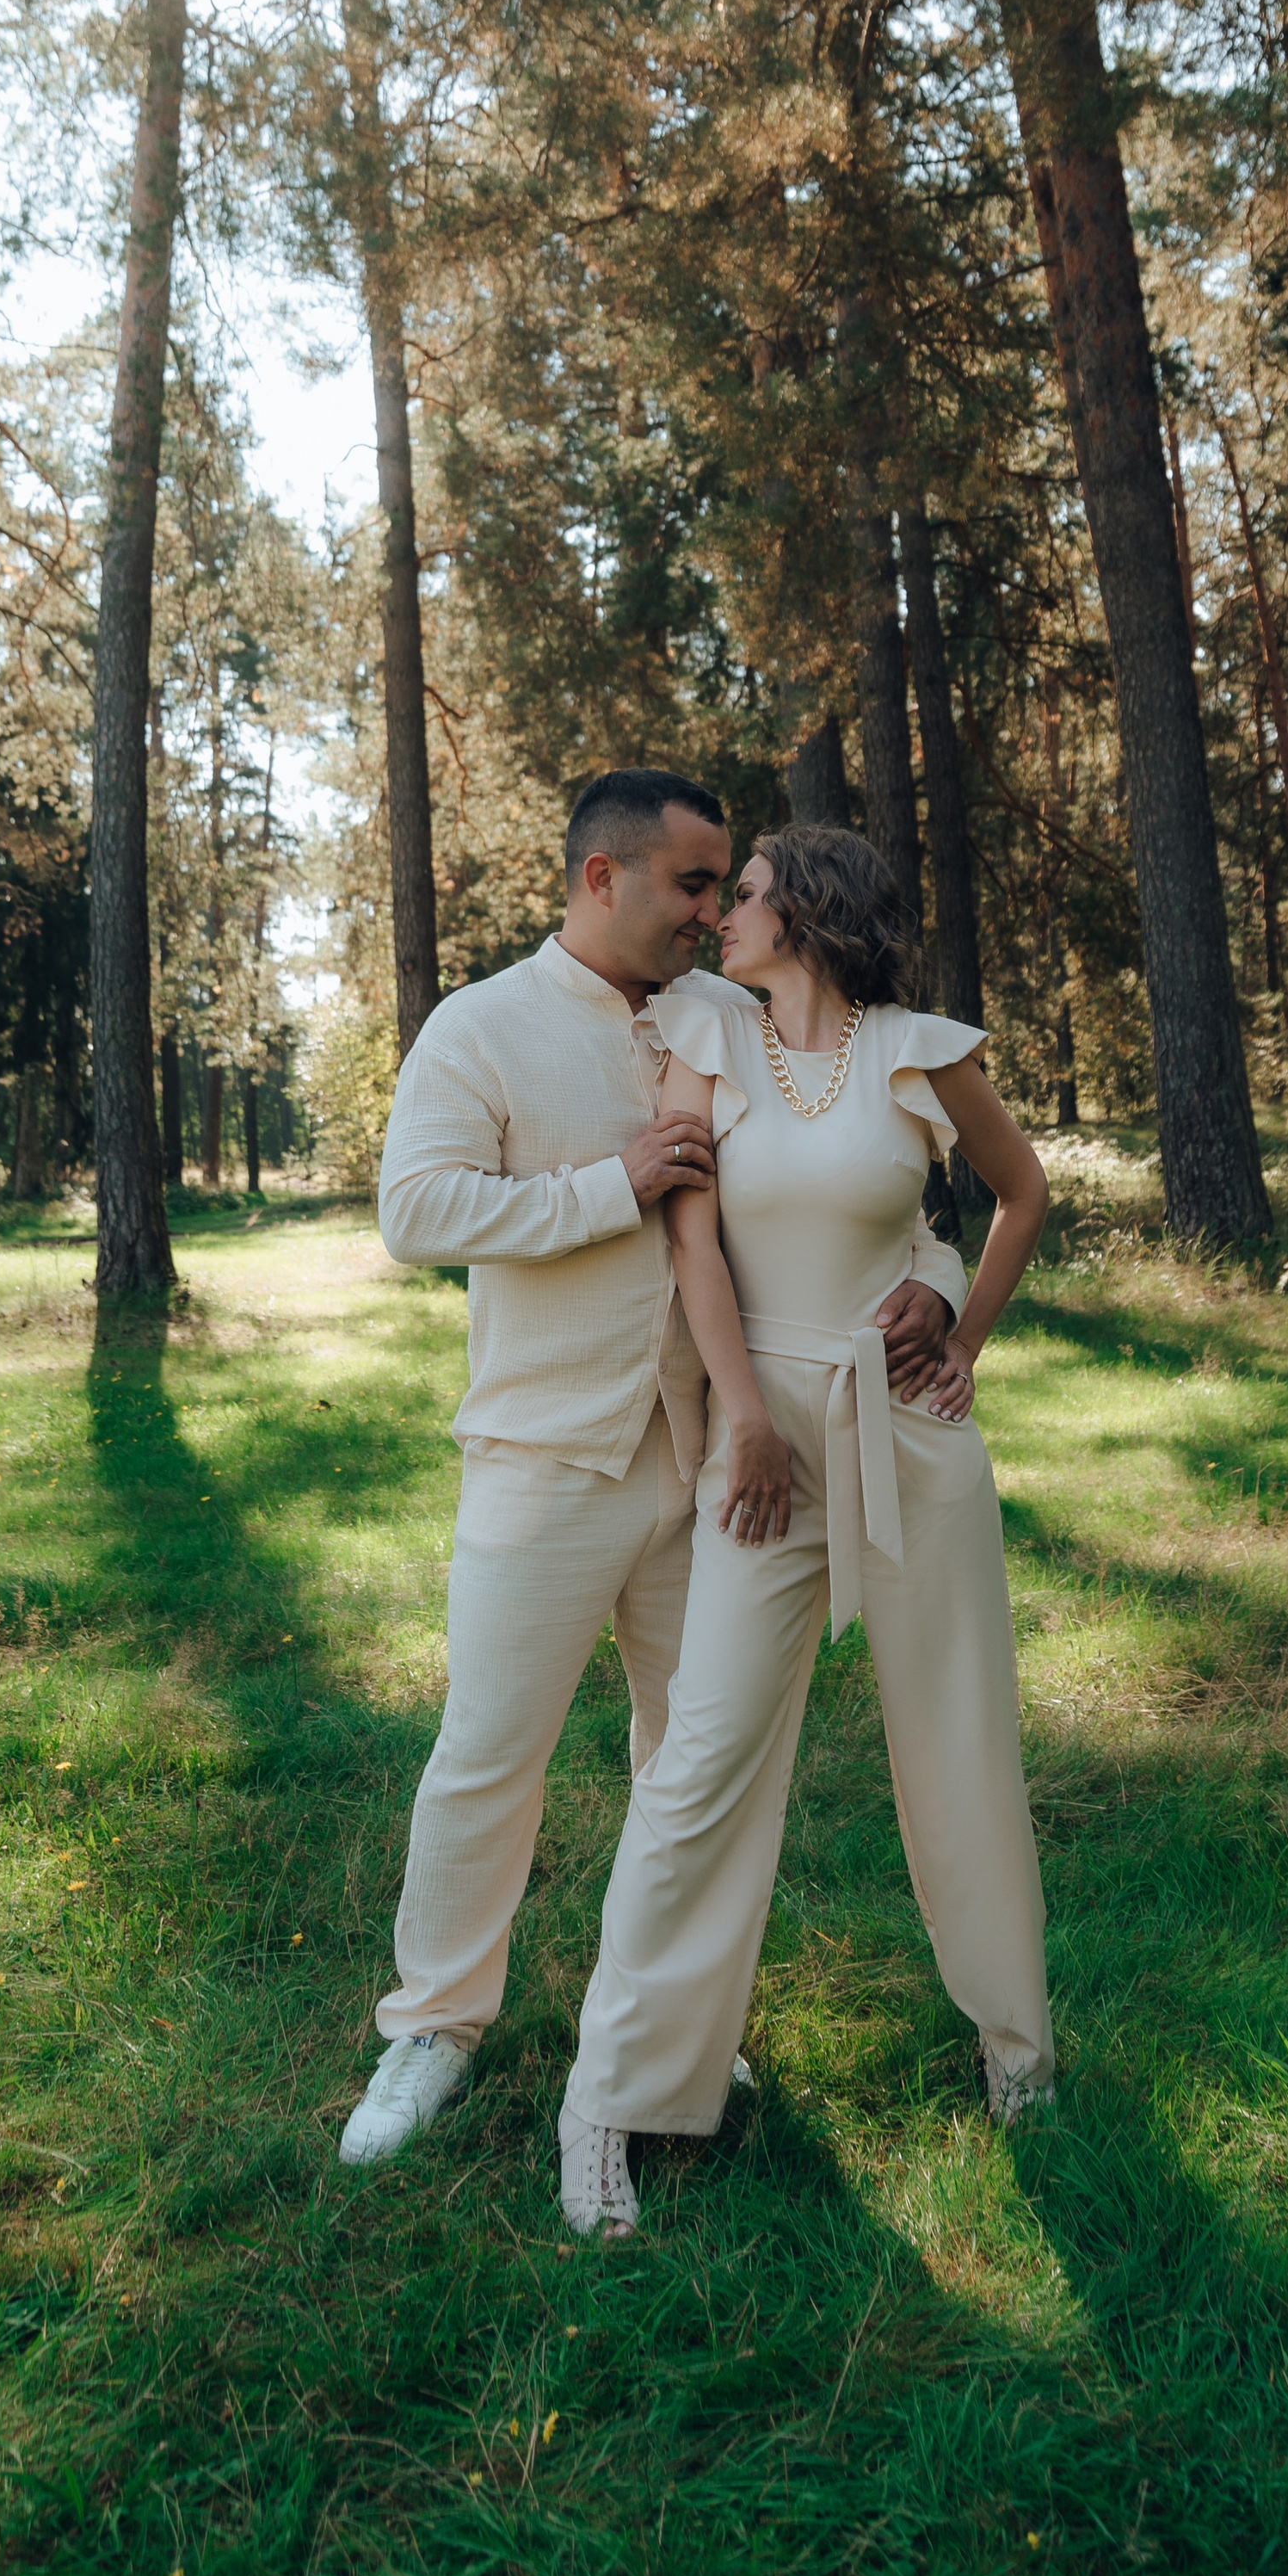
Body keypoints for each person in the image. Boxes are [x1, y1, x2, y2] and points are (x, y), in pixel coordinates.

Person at [339, 771, 973, 2169]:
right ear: (600, 880)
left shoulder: (742, 1024)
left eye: (719, 886)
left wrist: (934, 1273)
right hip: (542, 1459)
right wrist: (609, 1185)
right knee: (487, 1758)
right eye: (693, 884)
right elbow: (417, 1210)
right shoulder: (483, 1026)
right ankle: (433, 2028)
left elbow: (867, 1187)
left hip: (719, 1469)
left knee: (696, 1763)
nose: (712, 909)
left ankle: (675, 2027)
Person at [556, 822, 1053, 2235]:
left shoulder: (920, 1048)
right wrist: (741, 1419)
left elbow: (1020, 1194)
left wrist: (960, 1321)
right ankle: (611, 2098)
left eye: (750, 894)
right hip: (761, 1449)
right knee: (700, 1755)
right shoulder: (709, 1045)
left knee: (959, 1738)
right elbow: (692, 1241)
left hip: (907, 1442)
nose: (724, 916)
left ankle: (1019, 2056)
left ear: (814, 914)